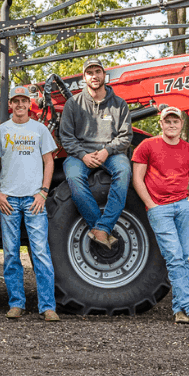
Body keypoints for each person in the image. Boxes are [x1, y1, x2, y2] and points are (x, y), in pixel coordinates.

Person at [0, 85, 59, 322]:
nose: (20, 105)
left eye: (23, 101)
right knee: (11, 254)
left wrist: (43, 192)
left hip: (33, 201)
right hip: (9, 200)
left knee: (40, 252)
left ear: (30, 104)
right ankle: (16, 303)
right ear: (10, 104)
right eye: (16, 101)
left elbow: (49, 162)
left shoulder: (39, 130)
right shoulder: (1, 131)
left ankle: (47, 306)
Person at [131, 106, 189, 325]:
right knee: (174, 256)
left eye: (176, 121)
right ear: (161, 124)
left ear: (181, 124)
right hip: (159, 209)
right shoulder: (147, 146)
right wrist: (151, 205)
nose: (172, 125)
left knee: (181, 258)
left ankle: (178, 311)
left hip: (182, 207)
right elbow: (138, 179)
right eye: (167, 121)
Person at [59, 57, 133, 248]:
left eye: (97, 71)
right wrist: (83, 154)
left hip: (110, 153)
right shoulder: (73, 104)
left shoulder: (119, 104)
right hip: (80, 155)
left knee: (124, 171)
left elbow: (126, 136)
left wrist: (107, 151)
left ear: (104, 75)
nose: (94, 76)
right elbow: (66, 137)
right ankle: (100, 228)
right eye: (90, 72)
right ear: (84, 77)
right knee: (73, 176)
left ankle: (103, 226)